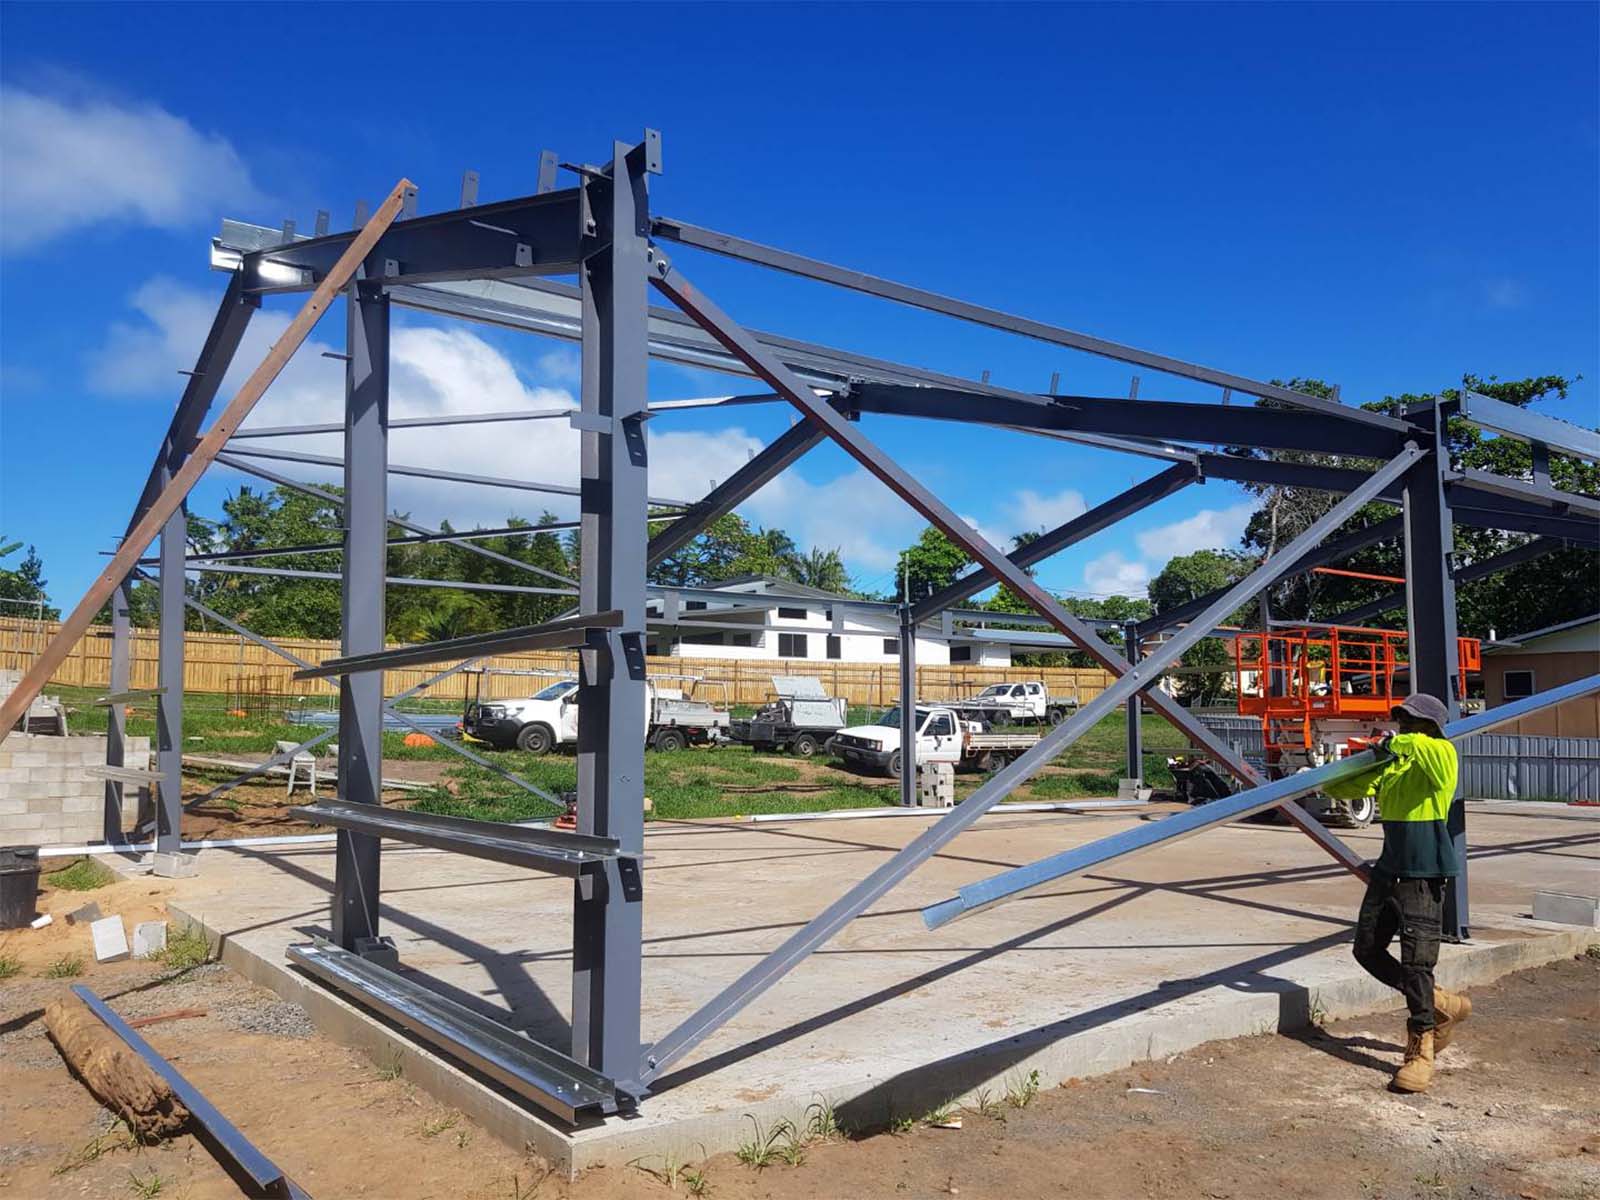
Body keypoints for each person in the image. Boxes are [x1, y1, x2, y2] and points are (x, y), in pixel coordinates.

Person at [1324, 692, 1470, 1093]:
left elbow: (1429, 756)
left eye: (1413, 721)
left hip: (1424, 871)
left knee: (1416, 964)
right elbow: (1342, 788)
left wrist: (1392, 744)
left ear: (1432, 727)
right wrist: (1358, 763)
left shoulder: (1441, 753)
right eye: (1403, 720)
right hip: (1390, 868)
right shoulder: (1397, 763)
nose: (1405, 727)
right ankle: (1442, 1005)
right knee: (1366, 949)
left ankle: (1421, 1047)